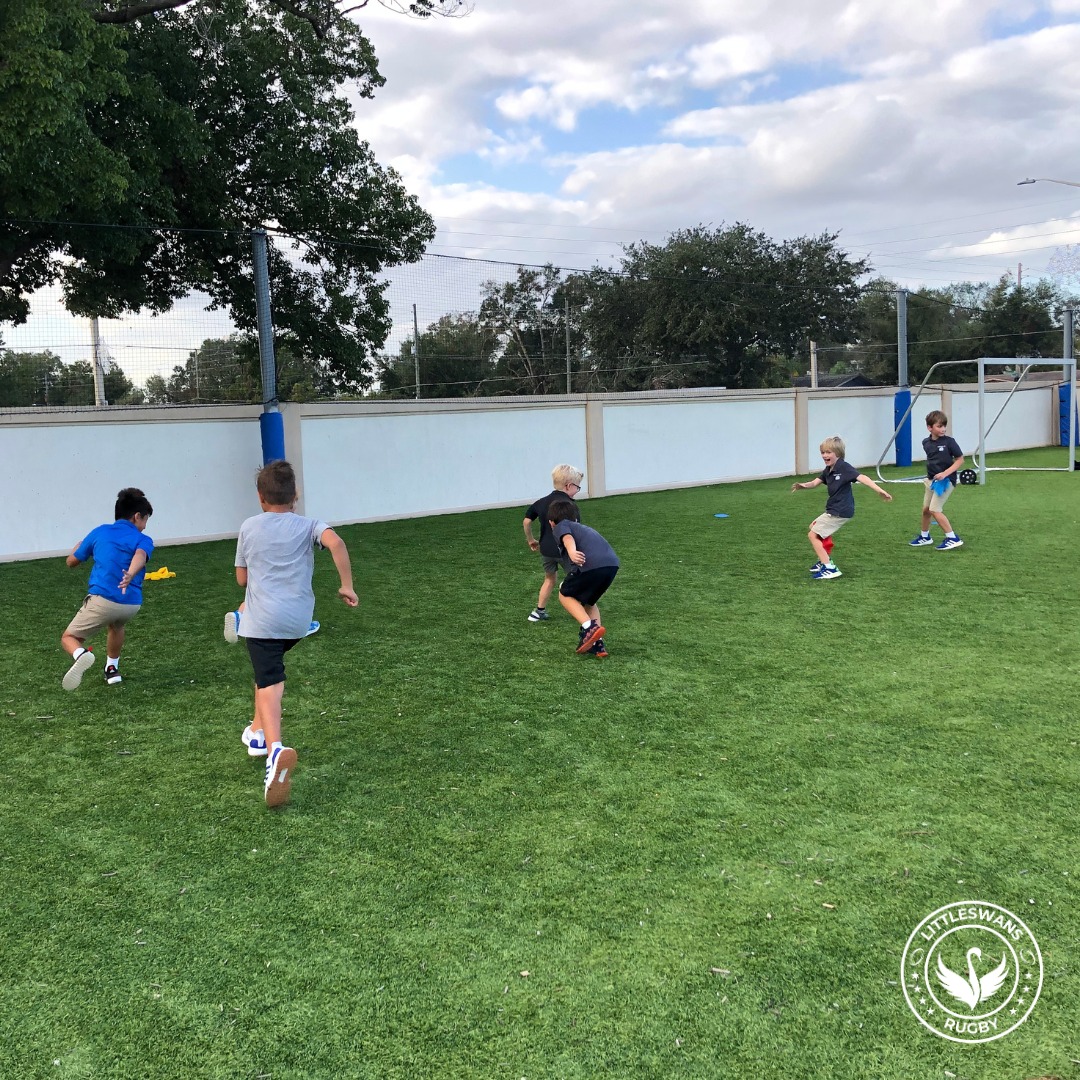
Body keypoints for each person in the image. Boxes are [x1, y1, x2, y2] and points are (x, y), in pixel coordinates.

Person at [232, 460, 358, 807]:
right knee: (265, 670)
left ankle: (275, 752)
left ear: (260, 498)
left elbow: (242, 579)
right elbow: (337, 543)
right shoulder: (310, 526)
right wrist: (346, 585)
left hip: (263, 621)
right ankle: (256, 734)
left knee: (270, 680)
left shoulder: (249, 527)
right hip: (299, 622)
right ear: (296, 496)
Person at [60, 487, 154, 690]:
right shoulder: (143, 540)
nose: (145, 526)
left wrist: (76, 549)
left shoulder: (100, 532)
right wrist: (131, 573)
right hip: (131, 604)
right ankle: (112, 670)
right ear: (137, 517)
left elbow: (71, 562)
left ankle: (81, 655)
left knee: (69, 638)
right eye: (146, 520)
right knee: (117, 625)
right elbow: (140, 555)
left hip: (103, 601)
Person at [792, 435, 892, 580]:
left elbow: (862, 477)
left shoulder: (844, 467)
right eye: (823, 452)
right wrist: (803, 485)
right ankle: (824, 560)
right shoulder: (828, 469)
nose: (825, 455)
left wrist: (880, 490)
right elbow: (815, 482)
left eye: (828, 452)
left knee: (812, 535)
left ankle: (829, 568)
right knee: (814, 527)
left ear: (838, 453)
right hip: (834, 509)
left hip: (841, 510)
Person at [548, 498, 619, 656]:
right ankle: (597, 644)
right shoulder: (583, 527)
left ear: (551, 522)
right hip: (612, 565)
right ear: (576, 518)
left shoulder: (561, 526)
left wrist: (572, 552)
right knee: (589, 601)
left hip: (591, 566)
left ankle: (589, 627)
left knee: (564, 593)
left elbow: (567, 538)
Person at [522, 464, 583, 622]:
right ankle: (581, 608)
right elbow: (574, 530)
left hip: (546, 550)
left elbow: (527, 521)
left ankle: (538, 611)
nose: (577, 491)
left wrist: (531, 540)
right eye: (578, 487)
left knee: (549, 579)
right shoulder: (569, 506)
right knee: (577, 577)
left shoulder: (540, 502)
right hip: (564, 551)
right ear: (569, 486)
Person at [909, 410, 965, 551]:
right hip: (931, 481)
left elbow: (960, 460)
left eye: (944, 426)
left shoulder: (949, 442)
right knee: (926, 510)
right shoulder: (926, 443)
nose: (943, 429)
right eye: (939, 426)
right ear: (930, 428)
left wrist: (945, 474)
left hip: (946, 481)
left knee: (935, 509)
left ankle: (953, 538)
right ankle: (925, 536)